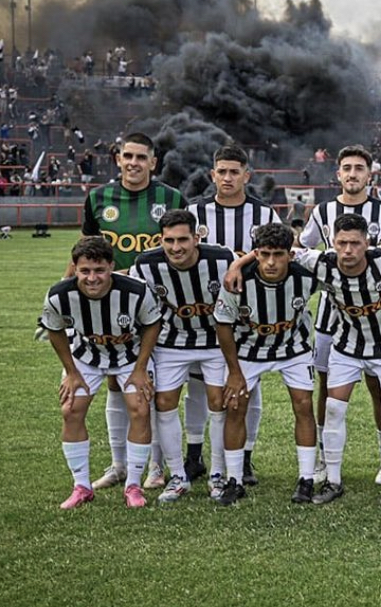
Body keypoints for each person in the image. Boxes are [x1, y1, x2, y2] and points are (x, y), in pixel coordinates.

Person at [290, 213, 381, 507]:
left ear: (367, 242)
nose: (348, 250)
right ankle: (334, 480)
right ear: (334, 243)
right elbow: (281, 252)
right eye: (342, 243)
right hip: (347, 347)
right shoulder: (320, 262)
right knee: (334, 408)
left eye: (355, 243)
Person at [78, 132, 186, 493]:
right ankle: (119, 464)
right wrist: (65, 294)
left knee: (148, 385)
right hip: (106, 306)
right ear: (118, 159)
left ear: (153, 162)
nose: (134, 163)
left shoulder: (170, 198)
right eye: (128, 156)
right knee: (113, 381)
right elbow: (85, 252)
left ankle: (155, 466)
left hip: (158, 307)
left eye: (142, 157)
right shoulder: (98, 198)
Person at [300, 145, 381, 487]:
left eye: (360, 168)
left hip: (377, 315)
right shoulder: (323, 211)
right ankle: (320, 458)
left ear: (369, 175)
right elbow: (305, 248)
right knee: (327, 388)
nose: (353, 173)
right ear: (338, 174)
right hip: (334, 316)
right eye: (347, 168)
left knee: (379, 387)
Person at [40, 237, 162, 509]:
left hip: (130, 356)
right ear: (75, 268)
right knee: (71, 409)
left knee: (140, 407)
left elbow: (152, 325)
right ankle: (81, 486)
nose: (92, 278)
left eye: (99, 270)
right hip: (86, 356)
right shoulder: (59, 294)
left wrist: (141, 368)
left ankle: (133, 485)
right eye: (85, 271)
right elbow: (54, 328)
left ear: (111, 266)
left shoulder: (136, 291)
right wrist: (71, 372)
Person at [186, 144, 281, 488]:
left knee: (248, 389)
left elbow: (280, 257)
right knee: (199, 387)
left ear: (246, 175)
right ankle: (194, 455)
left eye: (234, 171)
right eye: (221, 171)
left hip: (248, 313)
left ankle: (245, 457)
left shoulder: (266, 215)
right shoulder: (195, 212)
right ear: (213, 175)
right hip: (202, 313)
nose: (227, 177)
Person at [130, 210, 236, 501]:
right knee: (164, 403)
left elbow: (245, 265)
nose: (176, 247)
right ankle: (177, 476)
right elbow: (135, 301)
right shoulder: (145, 264)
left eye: (183, 240)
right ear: (160, 239)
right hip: (170, 342)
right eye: (169, 240)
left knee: (218, 402)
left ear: (197, 237)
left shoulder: (221, 258)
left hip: (214, 341)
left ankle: (217, 474)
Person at [214, 223, 320, 506]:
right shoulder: (237, 281)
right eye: (264, 254)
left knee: (304, 405)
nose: (271, 262)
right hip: (248, 350)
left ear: (290, 254)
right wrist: (234, 373)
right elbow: (223, 326)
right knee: (235, 406)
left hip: (293, 348)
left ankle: (306, 478)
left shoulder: (306, 276)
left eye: (278, 254)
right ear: (256, 254)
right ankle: (234, 479)